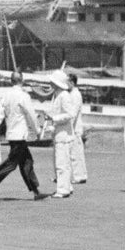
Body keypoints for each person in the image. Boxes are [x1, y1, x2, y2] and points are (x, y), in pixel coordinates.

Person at [0, 72, 44, 201]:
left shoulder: (6, 96)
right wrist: (37, 130)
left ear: (11, 81)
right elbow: (31, 115)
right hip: (20, 136)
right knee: (11, 164)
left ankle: (36, 191)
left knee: (27, 162)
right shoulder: (24, 96)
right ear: (21, 80)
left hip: (12, 135)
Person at [39, 69, 80, 198]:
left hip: (64, 135)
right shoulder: (58, 95)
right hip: (59, 133)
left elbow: (70, 114)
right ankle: (67, 186)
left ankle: (63, 190)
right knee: (61, 162)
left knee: (62, 163)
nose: (50, 83)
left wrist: (54, 118)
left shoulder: (64, 96)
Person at [66, 71, 88, 184]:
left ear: (72, 82)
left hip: (75, 128)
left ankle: (79, 176)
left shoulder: (75, 95)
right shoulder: (71, 94)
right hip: (72, 128)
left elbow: (73, 113)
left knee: (76, 153)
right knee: (73, 153)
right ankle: (76, 175)